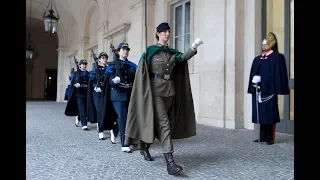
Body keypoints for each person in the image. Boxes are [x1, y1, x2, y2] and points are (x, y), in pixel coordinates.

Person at [124, 22, 203, 175]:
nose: (167, 34)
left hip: (169, 91)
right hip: (154, 91)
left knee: (157, 122)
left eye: (168, 31)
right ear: (158, 33)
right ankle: (170, 163)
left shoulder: (170, 52)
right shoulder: (150, 52)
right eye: (164, 32)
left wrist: (193, 48)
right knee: (164, 124)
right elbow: (142, 72)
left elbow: (181, 58)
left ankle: (145, 147)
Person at [247, 32, 289, 145]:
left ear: (271, 44)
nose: (263, 46)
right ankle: (263, 136)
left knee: (270, 114)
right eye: (262, 44)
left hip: (269, 91)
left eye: (265, 44)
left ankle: (271, 137)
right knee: (261, 114)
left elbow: (278, 74)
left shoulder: (277, 57)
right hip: (259, 90)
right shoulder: (257, 59)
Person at [100, 42, 137, 153]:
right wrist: (114, 81)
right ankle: (124, 143)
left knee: (127, 117)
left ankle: (115, 129)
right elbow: (108, 80)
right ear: (118, 51)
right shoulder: (112, 65)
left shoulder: (131, 65)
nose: (125, 51)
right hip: (117, 94)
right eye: (123, 49)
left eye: (127, 49)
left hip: (129, 93)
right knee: (123, 117)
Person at [87, 52, 119, 140]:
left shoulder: (109, 69)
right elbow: (92, 81)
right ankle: (101, 130)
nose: (104, 59)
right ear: (99, 59)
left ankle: (110, 127)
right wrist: (95, 87)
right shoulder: (95, 69)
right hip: (97, 93)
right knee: (100, 111)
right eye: (103, 58)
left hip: (106, 92)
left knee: (108, 110)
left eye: (105, 58)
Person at [65, 60, 90, 130]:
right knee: (82, 108)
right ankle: (84, 124)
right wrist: (76, 84)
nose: (84, 65)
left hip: (86, 92)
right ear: (80, 65)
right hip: (79, 93)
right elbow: (72, 82)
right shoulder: (76, 73)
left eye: (85, 64)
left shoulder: (88, 73)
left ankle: (79, 117)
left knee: (85, 109)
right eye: (83, 64)